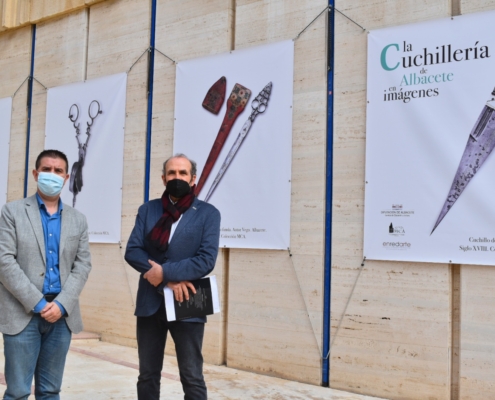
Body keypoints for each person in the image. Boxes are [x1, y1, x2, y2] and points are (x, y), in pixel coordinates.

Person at [125, 153, 220, 400]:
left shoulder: (208, 214)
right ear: (163, 178)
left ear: (193, 179)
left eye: (182, 173)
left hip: (187, 301)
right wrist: (168, 279)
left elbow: (206, 259)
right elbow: (133, 251)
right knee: (147, 374)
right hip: (150, 303)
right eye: (171, 173)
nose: (177, 177)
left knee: (191, 376)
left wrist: (165, 272)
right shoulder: (148, 210)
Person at [0, 149, 92, 400]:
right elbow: (4, 261)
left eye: (58, 171)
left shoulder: (78, 220)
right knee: (18, 391)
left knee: (50, 391)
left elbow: (82, 265)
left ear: (66, 177)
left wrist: (61, 304)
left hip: (62, 317)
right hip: (23, 313)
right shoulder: (12, 212)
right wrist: (39, 303)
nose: (52, 175)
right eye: (46, 170)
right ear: (35, 173)